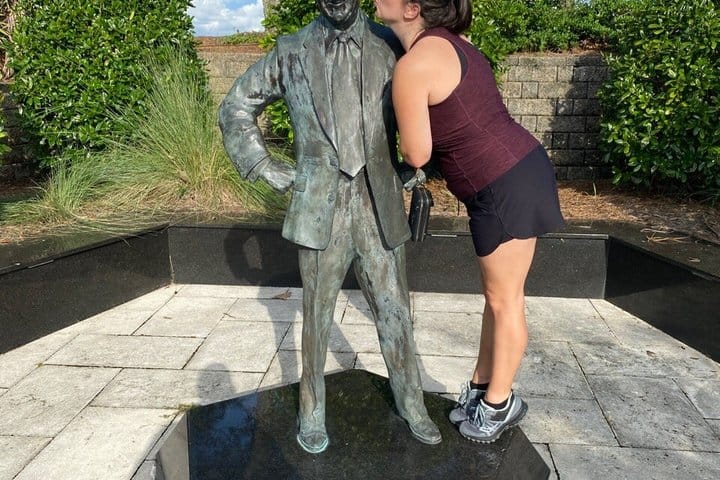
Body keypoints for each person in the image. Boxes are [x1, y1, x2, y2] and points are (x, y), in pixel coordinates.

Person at [218, 0, 441, 454]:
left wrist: (417, 165)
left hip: (377, 204)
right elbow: (236, 106)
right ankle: (312, 409)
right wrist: (262, 164)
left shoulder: (391, 44)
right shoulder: (291, 51)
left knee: (395, 312)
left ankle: (412, 403)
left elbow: (433, 103)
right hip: (321, 206)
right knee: (317, 317)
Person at [375, 0, 565, 443]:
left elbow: (417, 153)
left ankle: (500, 404)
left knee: (505, 300)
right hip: (513, 173)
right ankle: (482, 388)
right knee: (496, 298)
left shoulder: (414, 65)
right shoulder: (457, 44)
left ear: (411, 9)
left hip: (504, 185)